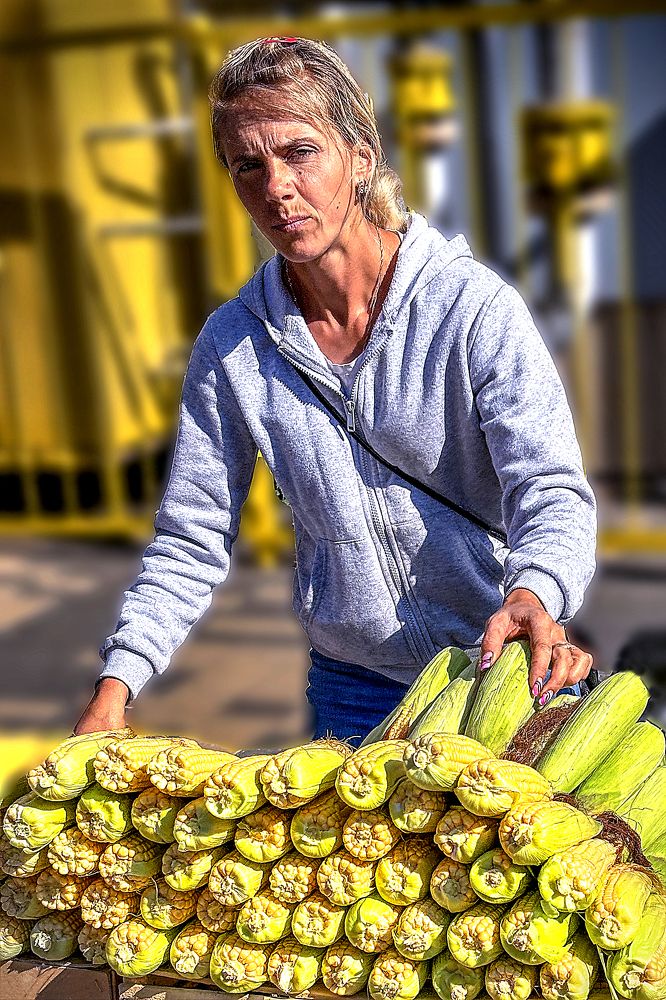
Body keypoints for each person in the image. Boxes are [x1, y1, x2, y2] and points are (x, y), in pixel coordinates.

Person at [74, 36, 596, 743]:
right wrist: (116, 685)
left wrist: (536, 589)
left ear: (360, 157)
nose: (276, 187)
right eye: (247, 165)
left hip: (497, 674)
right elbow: (190, 539)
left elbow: (551, 488)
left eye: (300, 152)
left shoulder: (470, 308)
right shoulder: (234, 345)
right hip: (356, 690)